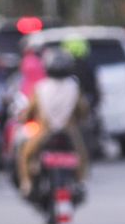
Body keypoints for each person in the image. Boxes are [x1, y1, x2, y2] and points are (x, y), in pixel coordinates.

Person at [17, 48, 89, 195]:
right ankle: (81, 182)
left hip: (45, 131)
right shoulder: (74, 86)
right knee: (81, 154)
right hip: (68, 131)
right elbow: (83, 110)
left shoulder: (40, 87)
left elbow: (29, 111)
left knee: (25, 154)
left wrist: (23, 118)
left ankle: (27, 184)